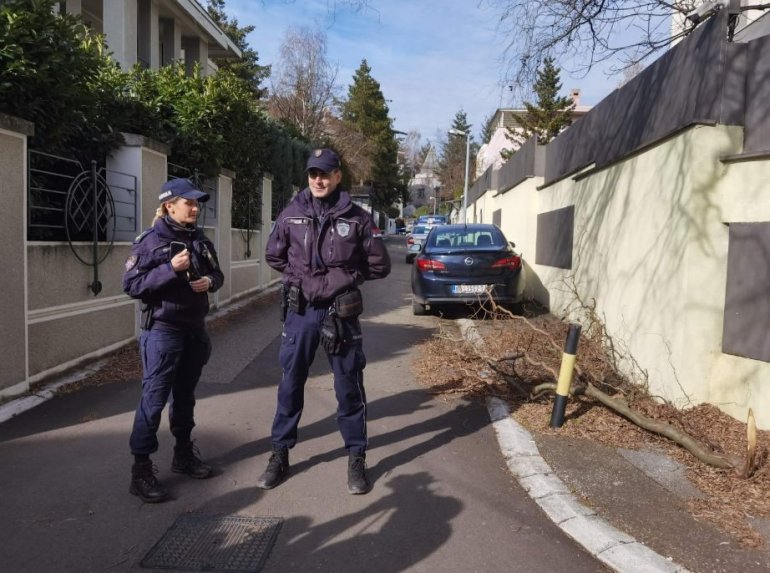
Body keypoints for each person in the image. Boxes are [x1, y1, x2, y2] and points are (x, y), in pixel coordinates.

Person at [258, 148, 391, 495]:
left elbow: (379, 265)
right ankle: (280, 453)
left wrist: (343, 279)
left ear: (337, 176)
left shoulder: (358, 218)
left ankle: (356, 457)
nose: (318, 180)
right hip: (301, 312)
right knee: (290, 384)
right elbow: (274, 255)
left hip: (339, 312)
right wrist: (301, 279)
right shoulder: (291, 214)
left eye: (325, 173)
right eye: (313, 173)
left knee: (349, 386)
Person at [122, 178, 224, 503]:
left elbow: (218, 275)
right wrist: (169, 268)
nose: (195, 208)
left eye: (196, 204)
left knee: (184, 398)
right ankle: (140, 472)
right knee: (153, 401)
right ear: (170, 206)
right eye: (188, 203)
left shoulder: (200, 240)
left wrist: (209, 282)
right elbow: (131, 285)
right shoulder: (150, 241)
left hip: (194, 330)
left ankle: (183, 455)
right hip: (163, 332)